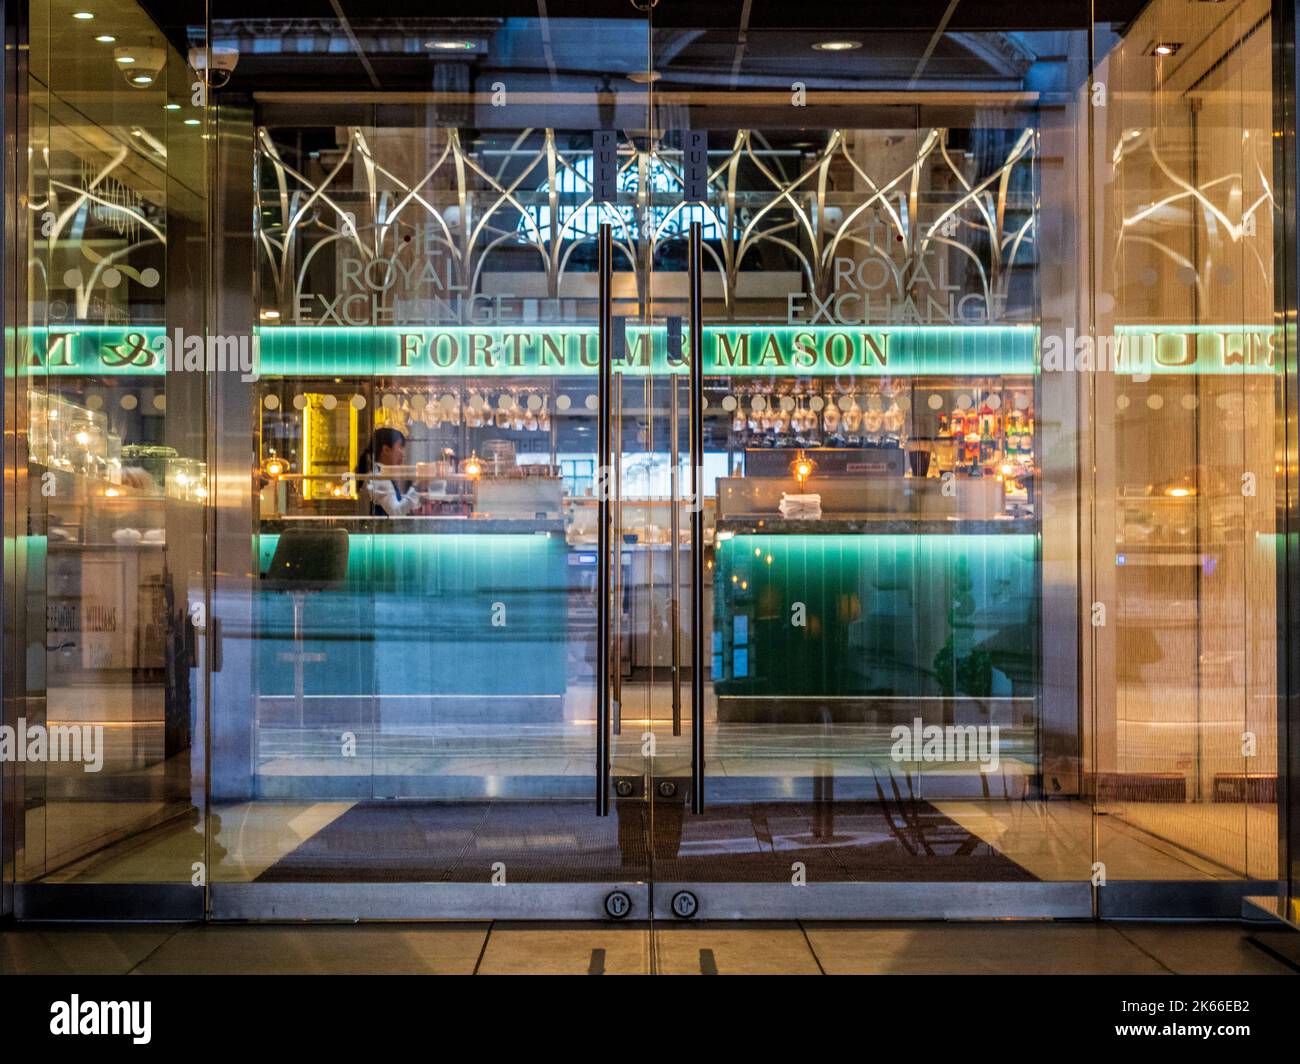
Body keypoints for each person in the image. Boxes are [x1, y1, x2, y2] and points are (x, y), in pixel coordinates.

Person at [356, 426, 424, 516]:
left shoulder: (380, 474)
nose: (403, 454)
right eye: (400, 448)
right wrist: (417, 487)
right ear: (386, 450)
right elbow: (396, 512)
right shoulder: (379, 478)